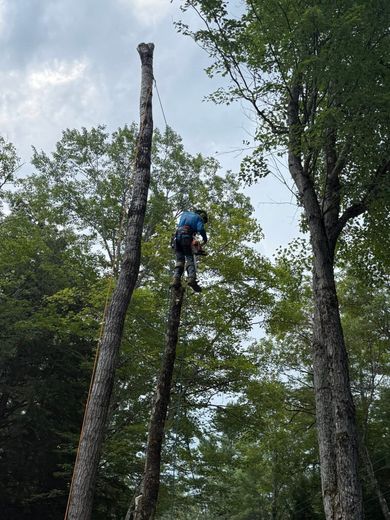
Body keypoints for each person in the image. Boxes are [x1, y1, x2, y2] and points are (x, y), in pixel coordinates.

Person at [171, 209, 208, 292]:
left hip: (177, 238)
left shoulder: (185, 214)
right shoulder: (198, 218)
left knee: (179, 260)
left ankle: (176, 279)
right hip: (186, 237)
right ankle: (191, 279)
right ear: (202, 216)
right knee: (189, 258)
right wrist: (205, 239)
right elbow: (201, 229)